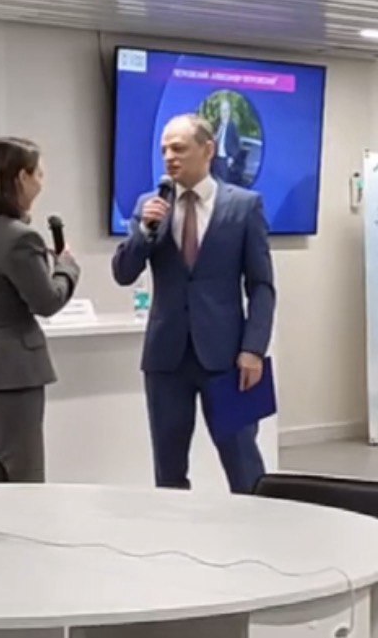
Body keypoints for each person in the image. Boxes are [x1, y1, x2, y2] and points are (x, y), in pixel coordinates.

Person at [112, 113, 275, 494]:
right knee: (168, 470)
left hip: (230, 359)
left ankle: (262, 524)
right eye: (164, 150)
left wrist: (254, 349)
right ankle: (174, 528)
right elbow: (123, 272)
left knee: (244, 464)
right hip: (166, 359)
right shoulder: (149, 205)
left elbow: (262, 286)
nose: (169, 157)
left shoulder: (244, 206)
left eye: (179, 148)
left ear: (208, 149)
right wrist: (144, 231)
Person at [0, 138, 80, 483]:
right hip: (11, 369)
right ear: (22, 177)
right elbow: (47, 301)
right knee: (19, 469)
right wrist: (66, 268)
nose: (42, 183)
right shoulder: (19, 237)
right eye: (39, 174)